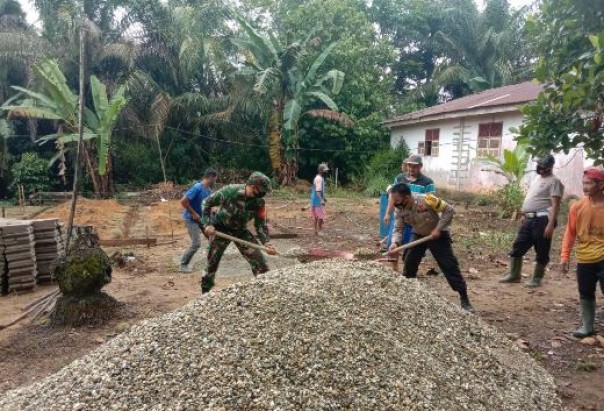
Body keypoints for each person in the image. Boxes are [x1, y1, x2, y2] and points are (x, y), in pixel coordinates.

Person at [388, 183, 474, 312]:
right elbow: (398, 228)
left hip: (438, 234)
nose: (395, 203)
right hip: (418, 234)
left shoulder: (427, 199)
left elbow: (449, 210)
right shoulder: (399, 208)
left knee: (449, 265)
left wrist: (438, 229)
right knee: (409, 261)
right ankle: (409, 295)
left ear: (407, 197)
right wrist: (395, 242)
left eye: (397, 200)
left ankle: (464, 299)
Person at [200, 172, 277, 293]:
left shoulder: (259, 203)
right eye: (259, 191)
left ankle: (264, 292)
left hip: (240, 230)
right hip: (221, 228)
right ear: (251, 185)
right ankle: (205, 293)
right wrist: (207, 224)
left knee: (260, 262)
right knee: (211, 263)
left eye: (263, 192)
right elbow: (206, 203)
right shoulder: (230, 191)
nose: (261, 194)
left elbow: (260, 224)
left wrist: (266, 242)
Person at [500, 155, 564, 287]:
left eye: (542, 165)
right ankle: (514, 275)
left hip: (543, 219)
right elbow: (531, 197)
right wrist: (524, 213)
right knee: (518, 246)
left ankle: (537, 278)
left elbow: (556, 205)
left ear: (549, 167)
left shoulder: (554, 181)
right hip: (529, 218)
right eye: (538, 164)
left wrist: (551, 224)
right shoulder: (536, 179)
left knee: (541, 249)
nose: (539, 167)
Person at [560, 167, 604, 338]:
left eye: (589, 183)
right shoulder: (577, 207)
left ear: (600, 185)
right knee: (585, 292)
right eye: (584, 183)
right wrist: (564, 256)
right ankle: (587, 326)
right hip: (585, 257)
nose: (585, 187)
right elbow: (570, 233)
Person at [384, 155, 436, 249]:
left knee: (410, 249)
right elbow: (392, 197)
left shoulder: (428, 182)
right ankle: (394, 262)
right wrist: (387, 213)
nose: (412, 169)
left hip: (414, 221)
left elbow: (430, 205)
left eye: (415, 166)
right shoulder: (400, 178)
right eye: (410, 166)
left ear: (421, 166)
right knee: (392, 245)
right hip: (399, 216)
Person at [179, 168, 218, 273]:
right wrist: (193, 213)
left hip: (202, 219)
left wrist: (213, 213)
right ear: (210, 178)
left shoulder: (208, 190)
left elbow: (207, 206)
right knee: (196, 243)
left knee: (212, 239)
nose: (215, 181)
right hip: (191, 219)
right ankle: (183, 264)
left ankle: (211, 261)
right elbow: (183, 201)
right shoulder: (197, 187)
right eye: (215, 179)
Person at [310, 163, 329, 236]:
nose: (326, 172)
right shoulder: (320, 179)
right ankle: (320, 231)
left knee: (315, 217)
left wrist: (323, 198)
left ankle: (315, 231)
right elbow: (318, 191)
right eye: (325, 170)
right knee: (320, 217)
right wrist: (321, 200)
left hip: (314, 200)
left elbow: (318, 191)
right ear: (320, 170)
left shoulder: (318, 178)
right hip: (318, 202)